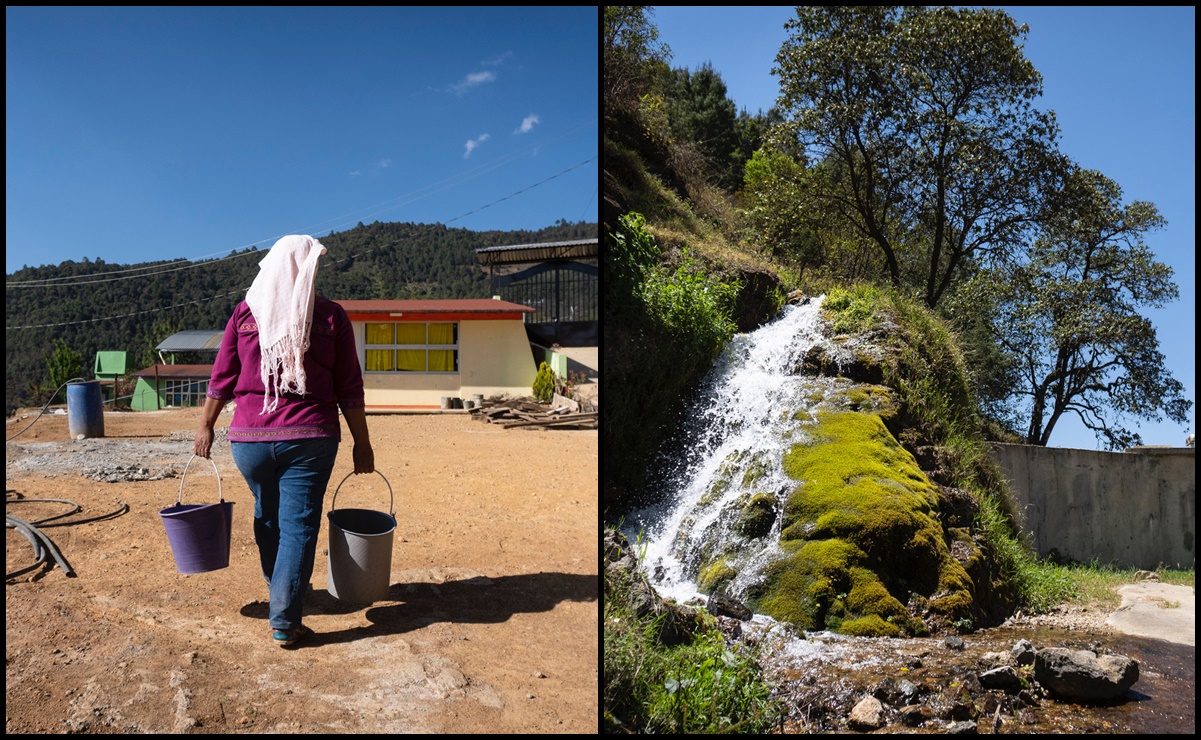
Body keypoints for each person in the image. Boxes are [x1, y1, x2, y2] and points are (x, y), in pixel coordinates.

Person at [193, 234, 374, 648]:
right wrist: (362, 443)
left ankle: (282, 591)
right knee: (298, 526)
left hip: (250, 438)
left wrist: (206, 424)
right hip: (310, 437)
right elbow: (350, 387)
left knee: (268, 517)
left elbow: (222, 377)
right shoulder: (329, 317)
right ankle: (285, 618)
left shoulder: (245, 314)